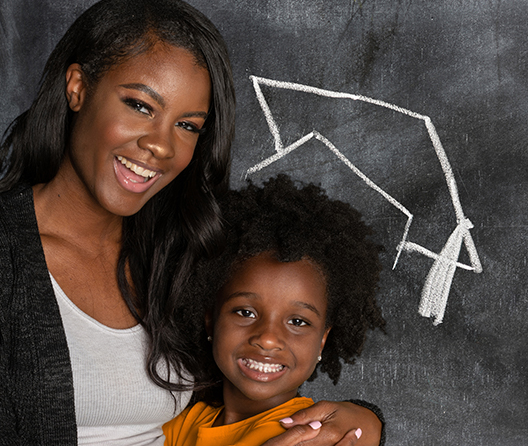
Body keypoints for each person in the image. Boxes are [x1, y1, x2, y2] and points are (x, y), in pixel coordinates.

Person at [0, 0, 383, 445]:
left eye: (187, 125)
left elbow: (247, 387)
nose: (161, 146)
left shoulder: (178, 252)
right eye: (140, 106)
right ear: (78, 88)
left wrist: (363, 420)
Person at [163, 175, 386, 446]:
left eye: (298, 321)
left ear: (323, 340)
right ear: (210, 319)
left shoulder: (313, 439)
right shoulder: (183, 420)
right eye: (245, 312)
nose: (267, 338)